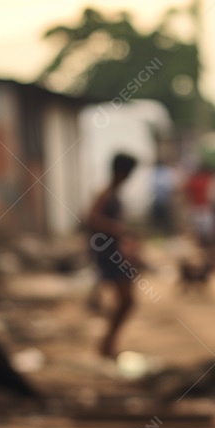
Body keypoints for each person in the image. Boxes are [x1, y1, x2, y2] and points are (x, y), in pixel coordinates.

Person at [86, 152, 138, 358]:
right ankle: (106, 345)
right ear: (122, 172)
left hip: (115, 252)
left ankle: (107, 344)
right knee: (126, 300)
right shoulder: (105, 195)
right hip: (109, 253)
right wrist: (117, 229)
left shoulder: (112, 194)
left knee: (126, 300)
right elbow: (91, 219)